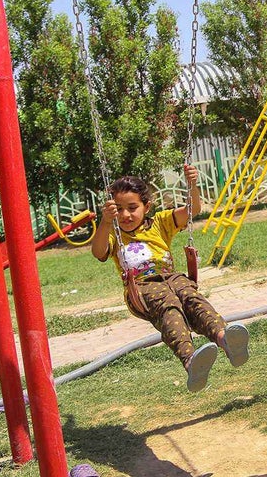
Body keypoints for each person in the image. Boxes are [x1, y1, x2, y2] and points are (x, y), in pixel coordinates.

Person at [92, 165, 249, 392]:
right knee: (169, 305)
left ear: (146, 206)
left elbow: (192, 209)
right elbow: (99, 253)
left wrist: (192, 185)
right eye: (119, 209)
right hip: (142, 288)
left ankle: (225, 339)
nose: (126, 215)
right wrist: (106, 222)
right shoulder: (113, 232)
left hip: (171, 278)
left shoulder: (160, 223)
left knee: (191, 297)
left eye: (132, 207)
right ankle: (190, 360)